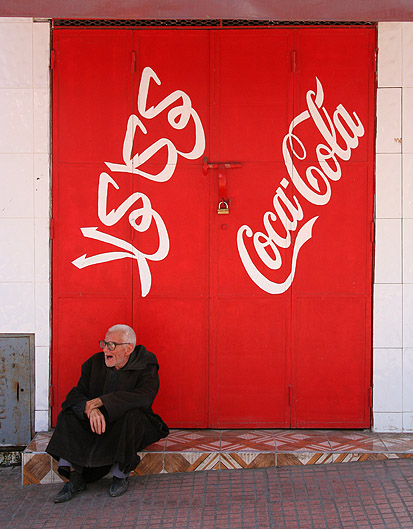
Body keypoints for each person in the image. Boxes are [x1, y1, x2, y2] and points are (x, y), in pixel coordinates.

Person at [46, 324, 169, 503]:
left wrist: (104, 401)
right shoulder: (94, 363)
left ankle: (120, 475)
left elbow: (144, 397)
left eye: (111, 345)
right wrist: (90, 408)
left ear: (128, 349)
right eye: (104, 344)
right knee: (68, 415)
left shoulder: (146, 365)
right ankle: (75, 479)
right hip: (97, 422)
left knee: (132, 416)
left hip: (126, 423)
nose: (105, 350)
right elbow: (77, 393)